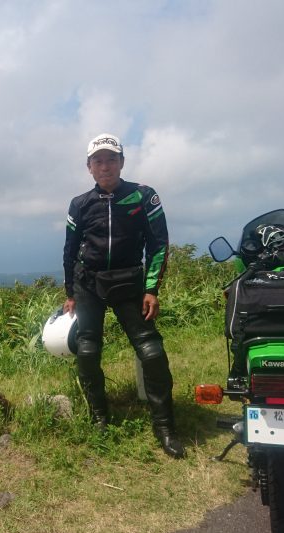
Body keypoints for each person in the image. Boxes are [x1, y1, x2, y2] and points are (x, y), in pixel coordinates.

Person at [62, 133, 184, 458]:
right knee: (87, 351)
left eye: (111, 159)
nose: (105, 166)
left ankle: (165, 426)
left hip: (131, 282)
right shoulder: (79, 204)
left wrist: (151, 289)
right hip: (89, 283)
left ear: (122, 163)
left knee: (152, 351)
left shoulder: (144, 196)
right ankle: (99, 416)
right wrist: (70, 293)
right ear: (89, 167)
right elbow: (70, 250)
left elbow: (159, 244)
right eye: (98, 161)